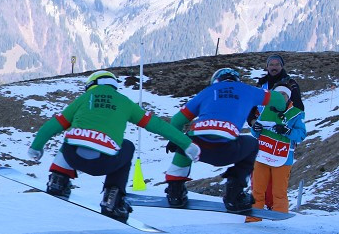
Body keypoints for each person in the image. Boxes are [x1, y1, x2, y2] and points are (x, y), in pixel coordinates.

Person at [26, 70, 199, 222]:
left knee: (72, 136)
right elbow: (158, 125)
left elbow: (54, 124)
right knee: (127, 146)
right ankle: (112, 198)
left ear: (91, 85)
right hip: (105, 161)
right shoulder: (125, 102)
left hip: (74, 157)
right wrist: (186, 144)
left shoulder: (84, 98)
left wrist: (36, 147)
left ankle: (58, 180)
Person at [164, 67, 288, 212]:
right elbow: (279, 99)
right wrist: (280, 108)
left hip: (198, 147)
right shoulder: (247, 90)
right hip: (227, 148)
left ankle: (175, 191)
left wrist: (174, 139)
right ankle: (234, 196)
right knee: (252, 144)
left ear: (215, 81)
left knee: (184, 141)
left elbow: (177, 120)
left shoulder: (207, 92)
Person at [249, 86, 306, 214]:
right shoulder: (265, 110)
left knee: (279, 192)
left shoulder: (296, 114)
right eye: (278, 94)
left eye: (284, 95)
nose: (281, 97)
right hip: (262, 155)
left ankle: (280, 218)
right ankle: (253, 216)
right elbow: (256, 132)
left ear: (288, 97)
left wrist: (287, 131)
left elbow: (301, 134)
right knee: (257, 190)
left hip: (283, 158)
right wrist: (255, 129)